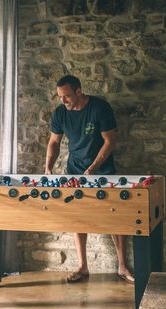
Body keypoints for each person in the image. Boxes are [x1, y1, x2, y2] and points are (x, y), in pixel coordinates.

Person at [44, 75, 134, 284]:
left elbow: (110, 141)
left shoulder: (100, 108)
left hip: (104, 171)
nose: (63, 101)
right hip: (74, 171)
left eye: (66, 96)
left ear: (78, 91)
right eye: (60, 97)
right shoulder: (60, 113)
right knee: (78, 217)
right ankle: (83, 267)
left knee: (115, 218)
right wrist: (48, 167)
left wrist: (94, 167)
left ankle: (122, 266)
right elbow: (54, 142)